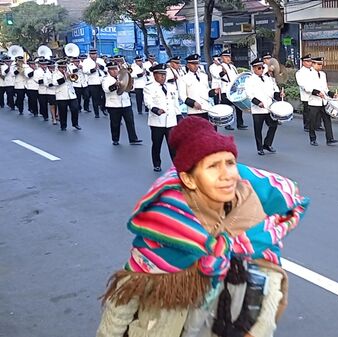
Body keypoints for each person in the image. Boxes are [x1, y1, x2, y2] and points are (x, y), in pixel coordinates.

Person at [95, 116, 309, 337]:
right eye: (213, 167)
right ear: (189, 180)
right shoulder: (167, 223)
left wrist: (258, 330)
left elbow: (269, 274)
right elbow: (124, 300)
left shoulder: (249, 210)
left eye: (230, 163)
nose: (227, 175)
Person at [144, 63, 179, 172]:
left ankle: (177, 165)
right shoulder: (149, 87)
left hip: (171, 121)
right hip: (157, 121)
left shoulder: (171, 86)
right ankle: (157, 164)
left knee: (173, 145)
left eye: (164, 74)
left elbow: (175, 103)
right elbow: (148, 102)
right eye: (160, 74)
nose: (163, 77)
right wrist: (156, 110)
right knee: (157, 144)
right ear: (154, 75)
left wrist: (179, 117)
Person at [245, 58, 282, 155]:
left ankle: (267, 144)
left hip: (269, 107)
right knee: (258, 129)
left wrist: (279, 95)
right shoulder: (249, 80)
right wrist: (258, 102)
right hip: (258, 109)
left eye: (262, 67)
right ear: (253, 69)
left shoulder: (268, 78)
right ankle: (259, 148)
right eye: (259, 68)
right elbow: (249, 94)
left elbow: (273, 91)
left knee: (273, 125)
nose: (261, 69)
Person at [102, 61, 143, 146]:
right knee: (115, 123)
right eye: (112, 70)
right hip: (114, 104)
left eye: (115, 69)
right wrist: (115, 85)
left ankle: (133, 138)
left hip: (125, 103)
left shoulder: (122, 77)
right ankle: (115, 139)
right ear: (108, 71)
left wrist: (129, 83)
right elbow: (107, 89)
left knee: (130, 121)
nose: (114, 71)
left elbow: (130, 89)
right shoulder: (106, 79)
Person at [306, 57, 338, 146]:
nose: (320, 66)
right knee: (313, 121)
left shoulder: (323, 74)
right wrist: (317, 92)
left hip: (323, 101)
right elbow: (306, 87)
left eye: (321, 64)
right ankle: (312, 138)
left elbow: (325, 88)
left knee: (327, 120)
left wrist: (331, 94)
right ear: (313, 64)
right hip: (313, 101)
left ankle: (330, 138)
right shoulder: (308, 74)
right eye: (318, 64)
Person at [179, 53, 220, 122]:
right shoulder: (183, 78)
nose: (195, 66)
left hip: (207, 108)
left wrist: (213, 92)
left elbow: (207, 91)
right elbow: (182, 96)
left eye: (197, 63)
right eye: (193, 64)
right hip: (194, 111)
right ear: (188, 65)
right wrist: (193, 103)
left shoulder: (204, 76)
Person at [216, 50, 248, 131]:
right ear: (222, 58)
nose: (228, 58)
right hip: (225, 89)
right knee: (228, 108)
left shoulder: (233, 66)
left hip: (234, 89)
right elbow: (219, 75)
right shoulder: (220, 66)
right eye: (226, 57)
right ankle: (227, 123)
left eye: (229, 56)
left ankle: (240, 124)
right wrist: (223, 72)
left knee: (238, 107)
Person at [53, 59, 81, 131]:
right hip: (61, 95)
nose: (63, 69)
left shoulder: (69, 73)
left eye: (64, 67)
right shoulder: (55, 74)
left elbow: (76, 80)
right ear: (58, 68)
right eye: (62, 68)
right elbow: (55, 83)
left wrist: (70, 76)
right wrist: (64, 78)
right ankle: (63, 125)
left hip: (71, 94)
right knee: (63, 111)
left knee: (75, 109)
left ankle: (75, 124)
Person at [82, 49, 108, 118]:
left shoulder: (100, 60)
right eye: (92, 54)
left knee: (105, 95)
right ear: (90, 55)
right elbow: (85, 71)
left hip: (102, 80)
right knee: (95, 98)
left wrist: (101, 67)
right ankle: (96, 113)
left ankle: (103, 108)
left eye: (95, 54)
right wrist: (94, 69)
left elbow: (106, 69)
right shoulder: (86, 61)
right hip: (93, 82)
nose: (94, 56)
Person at [295, 54, 315, 132]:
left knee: (316, 111)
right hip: (306, 95)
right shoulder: (300, 72)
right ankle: (307, 125)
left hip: (315, 95)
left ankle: (316, 125)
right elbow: (301, 84)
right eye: (308, 61)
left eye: (310, 61)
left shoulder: (313, 70)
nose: (310, 63)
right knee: (307, 111)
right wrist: (309, 90)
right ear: (303, 62)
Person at [44, 60, 59, 125]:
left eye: (53, 67)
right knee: (52, 105)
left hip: (58, 91)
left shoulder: (57, 73)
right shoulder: (46, 74)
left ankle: (57, 115)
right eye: (50, 67)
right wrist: (51, 84)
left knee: (58, 104)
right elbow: (45, 83)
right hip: (50, 91)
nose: (52, 68)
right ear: (48, 67)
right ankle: (53, 118)